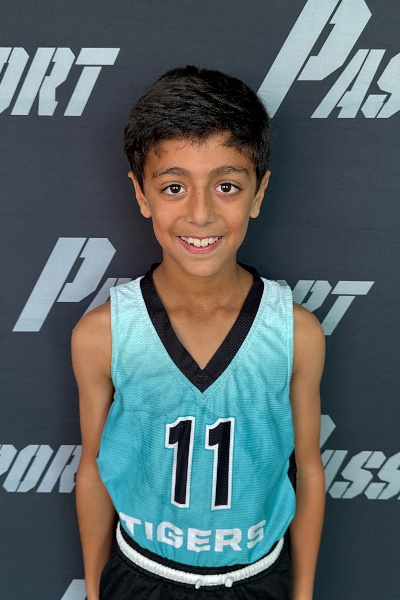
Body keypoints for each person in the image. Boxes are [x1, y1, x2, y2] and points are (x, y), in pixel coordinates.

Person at [71, 65, 326, 600]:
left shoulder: (295, 332)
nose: (201, 213)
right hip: (141, 578)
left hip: (258, 579)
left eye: (227, 186)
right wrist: (96, 590)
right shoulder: (103, 335)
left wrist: (302, 594)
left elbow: (306, 469)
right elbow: (93, 471)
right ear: (142, 195)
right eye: (173, 187)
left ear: (258, 193)